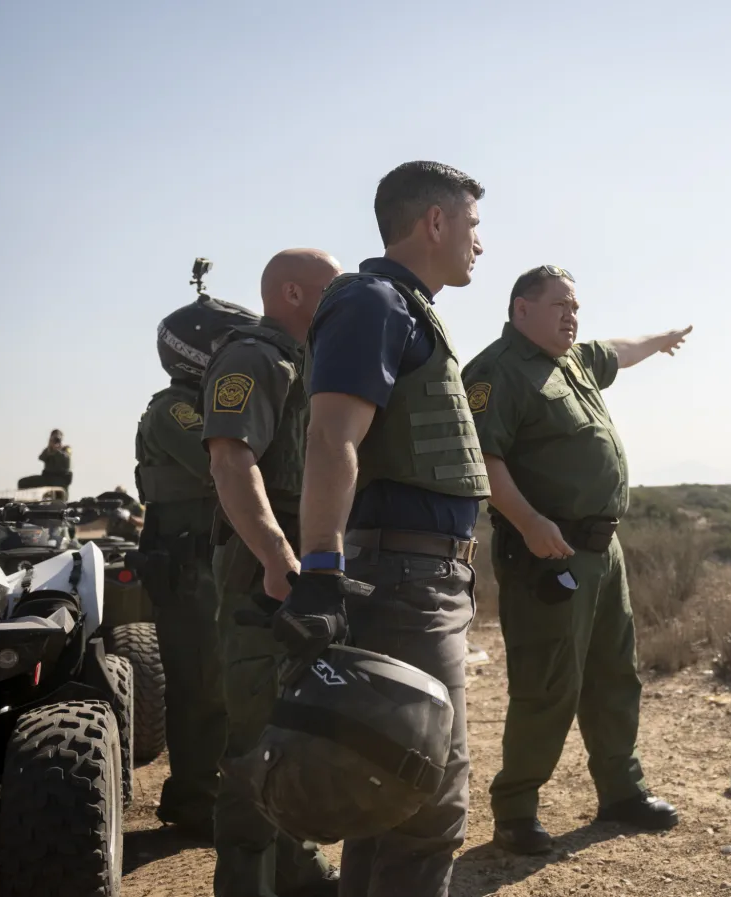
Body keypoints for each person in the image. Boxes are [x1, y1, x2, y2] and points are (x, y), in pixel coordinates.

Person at [286, 160, 486, 897]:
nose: (479, 243)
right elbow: (331, 437)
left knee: (389, 785)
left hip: (422, 578)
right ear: (434, 222)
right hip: (405, 582)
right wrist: (319, 571)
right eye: (471, 224)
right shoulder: (373, 302)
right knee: (430, 797)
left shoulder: (405, 306)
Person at [461, 264, 692, 855]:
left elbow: (616, 348)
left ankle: (621, 791)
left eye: (576, 306)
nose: (573, 315)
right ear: (521, 310)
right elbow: (486, 462)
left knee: (615, 674)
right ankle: (515, 810)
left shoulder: (573, 360)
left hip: (601, 550)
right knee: (548, 684)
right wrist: (531, 523)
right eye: (561, 304)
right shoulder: (496, 373)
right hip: (547, 552)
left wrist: (660, 340)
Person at [201, 248, 343, 897]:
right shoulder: (253, 357)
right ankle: (246, 882)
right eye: (330, 290)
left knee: (300, 725)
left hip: (302, 566)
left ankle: (296, 864)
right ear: (292, 292)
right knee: (257, 737)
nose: (340, 303)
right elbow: (232, 462)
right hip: (265, 571)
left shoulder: (307, 361)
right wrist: (279, 560)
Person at [131, 291, 261, 839]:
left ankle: (212, 793)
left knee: (226, 682)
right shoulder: (175, 409)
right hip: (189, 570)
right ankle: (192, 800)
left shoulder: (215, 405)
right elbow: (220, 467)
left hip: (215, 564)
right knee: (201, 686)